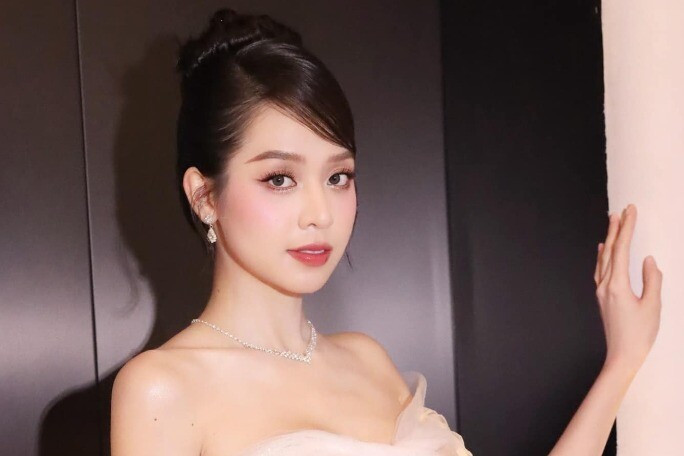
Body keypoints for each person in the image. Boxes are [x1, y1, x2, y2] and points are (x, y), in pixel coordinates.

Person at [110, 8, 663, 456]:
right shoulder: (161, 389)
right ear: (205, 196)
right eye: (279, 178)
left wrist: (622, 362)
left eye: (338, 177)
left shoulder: (367, 361)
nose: (320, 213)